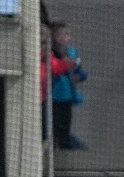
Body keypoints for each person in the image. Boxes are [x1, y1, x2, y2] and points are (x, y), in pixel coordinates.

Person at [45, 22, 88, 151]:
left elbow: (79, 72)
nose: (64, 38)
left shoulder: (72, 53)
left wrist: (80, 74)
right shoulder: (48, 53)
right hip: (52, 97)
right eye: (60, 34)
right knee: (51, 127)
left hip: (67, 96)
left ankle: (64, 147)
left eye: (67, 34)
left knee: (64, 126)